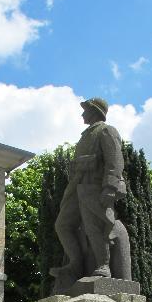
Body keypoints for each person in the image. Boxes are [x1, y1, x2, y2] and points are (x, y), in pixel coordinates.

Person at [52, 97, 127, 287]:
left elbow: (115, 161)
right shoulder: (85, 136)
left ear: (94, 111)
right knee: (63, 225)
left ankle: (103, 266)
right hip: (78, 187)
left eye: (85, 110)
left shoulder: (107, 131)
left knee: (95, 226)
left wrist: (110, 188)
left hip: (94, 186)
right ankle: (75, 264)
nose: (82, 114)